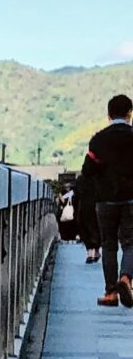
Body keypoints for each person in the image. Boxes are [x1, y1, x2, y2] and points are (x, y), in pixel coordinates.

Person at [79, 95, 133, 307]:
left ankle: (111, 293)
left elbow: (87, 170)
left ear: (108, 115)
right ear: (130, 113)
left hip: (105, 200)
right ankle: (126, 277)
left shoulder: (98, 140)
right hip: (131, 199)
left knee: (109, 245)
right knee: (131, 242)